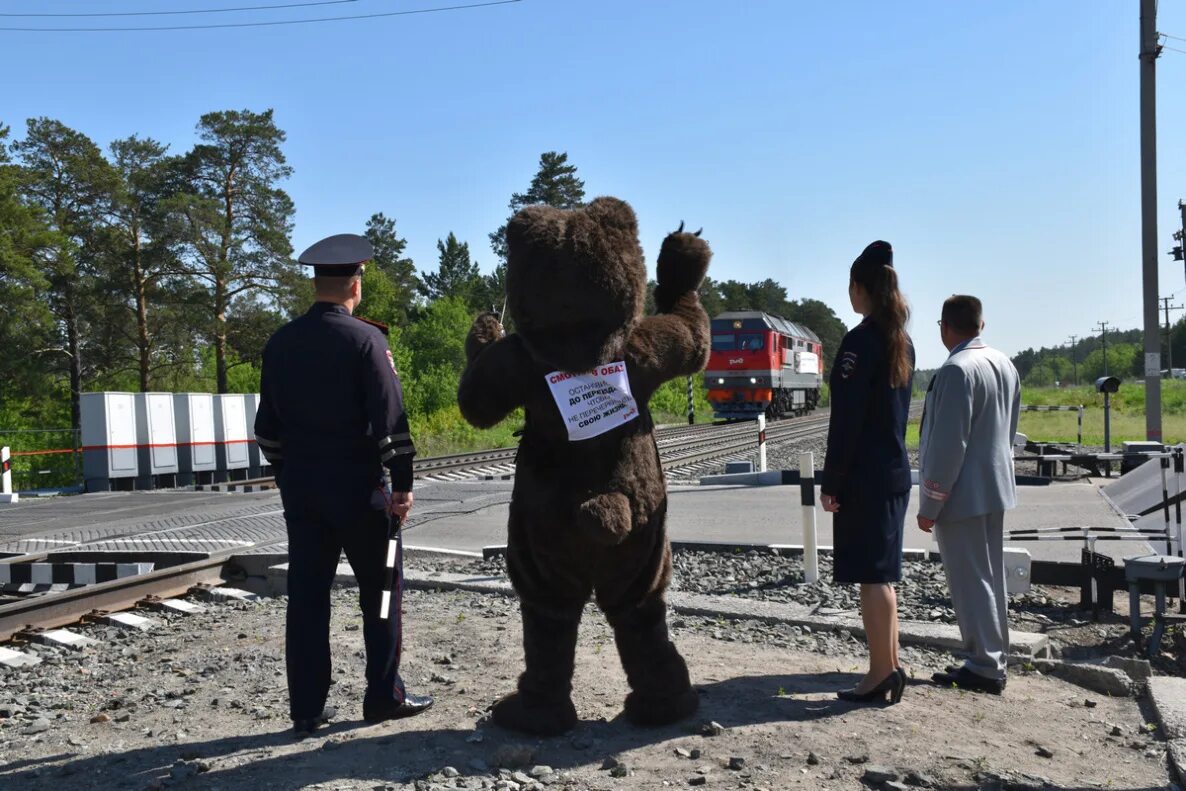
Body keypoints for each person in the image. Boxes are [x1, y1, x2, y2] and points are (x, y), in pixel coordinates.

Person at [254, 233, 433, 736]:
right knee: (380, 593)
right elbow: (390, 423)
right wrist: (402, 486)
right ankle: (382, 697)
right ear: (355, 286)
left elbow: (266, 429)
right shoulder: (366, 341)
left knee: (308, 598)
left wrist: (292, 474)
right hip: (361, 494)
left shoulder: (281, 342)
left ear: (318, 285)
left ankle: (307, 709)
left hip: (304, 494)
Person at [820, 240, 914, 705]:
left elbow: (848, 420)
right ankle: (890, 665)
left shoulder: (860, 341)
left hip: (866, 477)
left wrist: (832, 480)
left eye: (851, 286)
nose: (849, 294)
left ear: (862, 288)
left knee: (873, 578)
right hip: (894, 473)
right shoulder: (901, 338)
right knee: (883, 575)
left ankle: (879, 674)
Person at [918, 295, 1021, 695]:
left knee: (970, 580)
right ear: (981, 325)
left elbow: (947, 446)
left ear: (944, 327)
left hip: (961, 492)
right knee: (990, 576)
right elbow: (1009, 428)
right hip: (995, 486)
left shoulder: (956, 370)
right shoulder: (1003, 363)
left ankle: (984, 665)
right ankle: (994, 656)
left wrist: (930, 503)